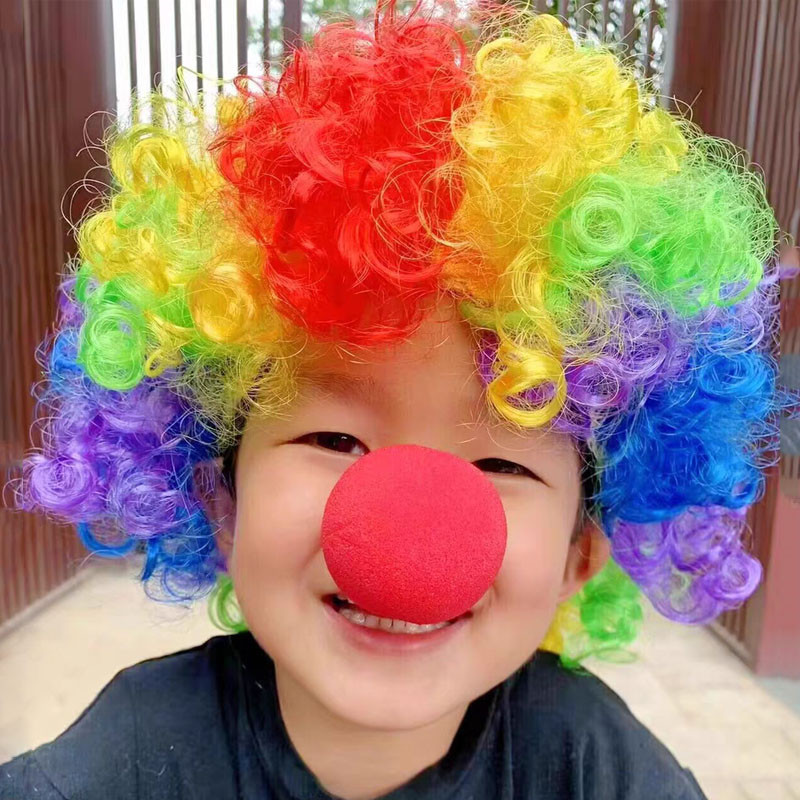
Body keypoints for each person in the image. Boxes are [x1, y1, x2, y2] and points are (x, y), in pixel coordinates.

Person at [2, 1, 795, 797]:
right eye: (333, 440)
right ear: (222, 501)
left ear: (577, 559)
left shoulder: (597, 769)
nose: (407, 531)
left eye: (501, 463)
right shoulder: (120, 764)